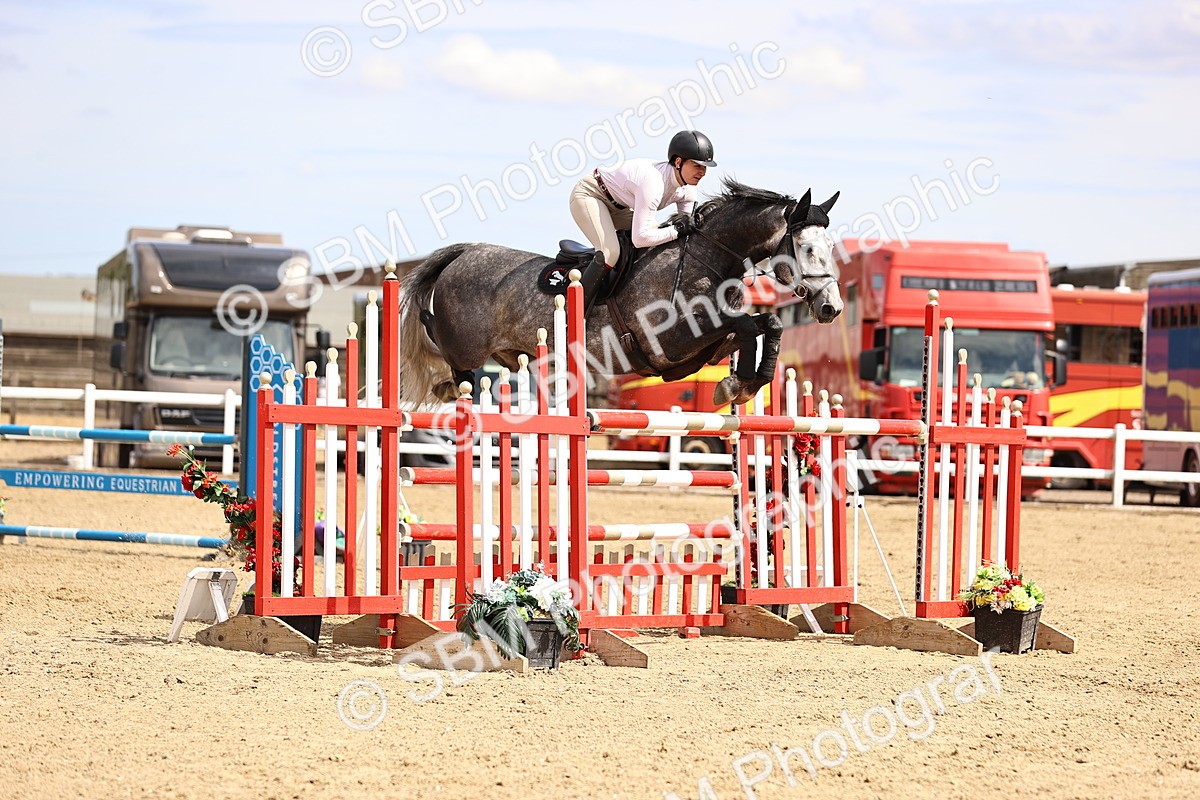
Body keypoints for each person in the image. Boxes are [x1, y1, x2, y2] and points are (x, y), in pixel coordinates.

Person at [569, 130, 717, 309]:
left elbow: (686, 231)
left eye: (705, 167)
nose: (702, 172)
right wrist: (676, 230)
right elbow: (639, 239)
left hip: (619, 207)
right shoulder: (653, 184)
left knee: (659, 236)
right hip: (590, 195)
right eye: (697, 166)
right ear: (678, 162)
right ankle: (575, 313)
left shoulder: (688, 191)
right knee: (611, 252)